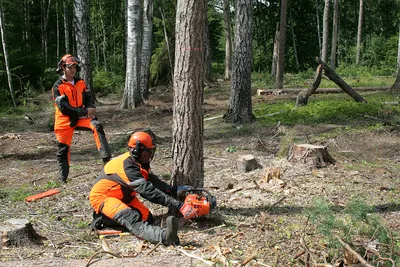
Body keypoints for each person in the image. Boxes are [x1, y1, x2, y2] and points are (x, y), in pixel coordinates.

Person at [89, 131, 195, 246]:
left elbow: (154, 182)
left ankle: (111, 218)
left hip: (125, 197)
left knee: (147, 218)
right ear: (137, 151)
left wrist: (174, 190)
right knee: (132, 219)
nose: (150, 155)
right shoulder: (127, 166)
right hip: (104, 198)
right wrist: (178, 205)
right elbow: (148, 192)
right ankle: (165, 236)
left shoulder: (139, 163)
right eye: (148, 151)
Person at [52, 54, 111, 183]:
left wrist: (90, 108)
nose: (72, 69)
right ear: (63, 68)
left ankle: (108, 162)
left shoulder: (81, 82)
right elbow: (65, 108)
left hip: (80, 117)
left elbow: (89, 97)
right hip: (64, 120)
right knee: (63, 150)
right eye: (69, 67)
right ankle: (63, 179)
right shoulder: (58, 86)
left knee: (97, 125)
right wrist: (85, 111)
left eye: (74, 67)